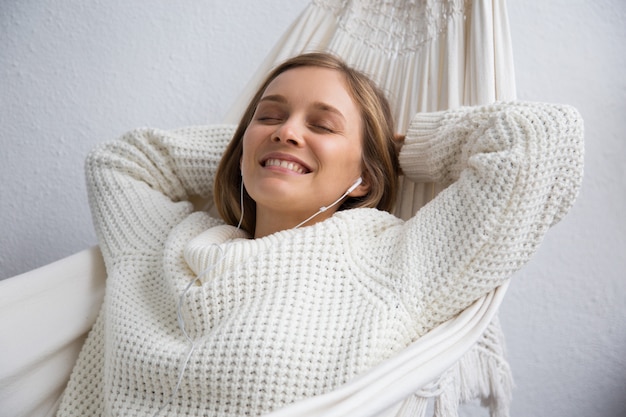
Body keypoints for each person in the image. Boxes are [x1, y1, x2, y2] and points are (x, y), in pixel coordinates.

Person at [57, 52, 584, 417]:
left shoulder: (395, 262)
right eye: (270, 114)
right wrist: (253, 146)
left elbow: (541, 139)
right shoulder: (162, 241)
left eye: (323, 124)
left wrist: (392, 153)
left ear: (367, 178)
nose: (287, 129)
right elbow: (120, 160)